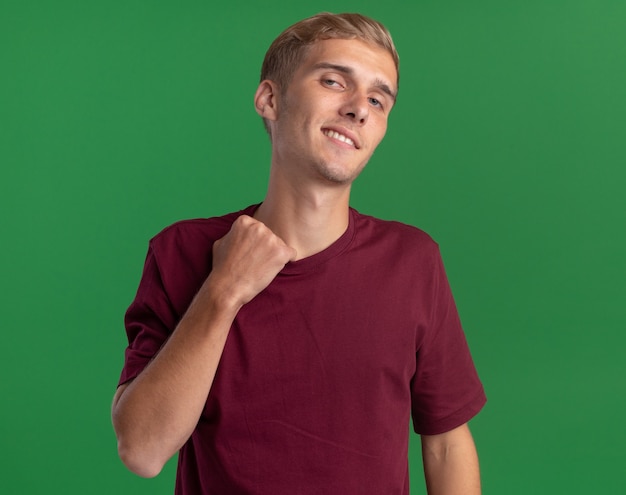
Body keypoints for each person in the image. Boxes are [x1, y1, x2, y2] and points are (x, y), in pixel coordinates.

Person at [112, 12, 486, 495]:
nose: (359, 109)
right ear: (270, 99)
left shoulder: (413, 262)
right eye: (334, 81)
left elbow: (446, 445)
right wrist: (224, 290)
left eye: (378, 99)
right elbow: (142, 451)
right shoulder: (182, 252)